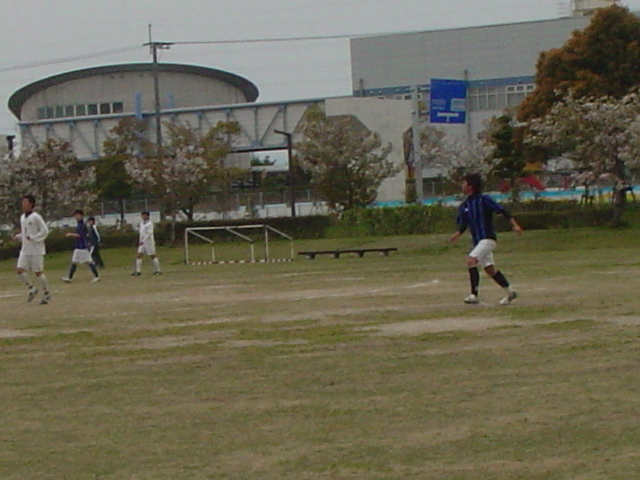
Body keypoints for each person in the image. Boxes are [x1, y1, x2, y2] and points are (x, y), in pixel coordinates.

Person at [449, 173, 523, 306]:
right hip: (478, 241)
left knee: (471, 260)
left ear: (471, 186)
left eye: (464, 183)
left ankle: (474, 295)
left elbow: (502, 210)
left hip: (488, 239)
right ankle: (510, 291)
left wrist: (515, 225)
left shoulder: (484, 199)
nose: (462, 186)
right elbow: (463, 224)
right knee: (490, 269)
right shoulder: (466, 204)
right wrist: (457, 234)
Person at [14, 195, 51, 304]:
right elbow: (26, 232)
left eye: (25, 202)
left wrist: (34, 238)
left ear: (31, 204)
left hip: (36, 250)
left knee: (38, 272)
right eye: (23, 202)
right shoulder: (22, 217)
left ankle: (46, 293)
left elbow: (45, 231)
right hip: (25, 249)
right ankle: (31, 288)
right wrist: (19, 236)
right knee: (19, 270)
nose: (23, 204)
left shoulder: (36, 217)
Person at [61, 209, 101, 283]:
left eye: (77, 215)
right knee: (74, 262)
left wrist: (70, 234)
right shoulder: (79, 224)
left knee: (89, 262)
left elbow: (80, 235)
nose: (75, 217)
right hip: (78, 246)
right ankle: (69, 278)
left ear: (81, 216)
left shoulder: (82, 225)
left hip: (82, 247)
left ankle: (96, 276)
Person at [132, 211, 161, 276]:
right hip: (142, 243)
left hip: (149, 242)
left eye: (145, 215)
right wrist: (140, 241)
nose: (143, 217)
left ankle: (157, 270)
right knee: (139, 255)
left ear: (148, 216)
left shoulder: (150, 224)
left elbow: (149, 233)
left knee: (152, 255)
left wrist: (144, 240)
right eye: (142, 215)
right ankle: (138, 271)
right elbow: (141, 233)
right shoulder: (142, 223)